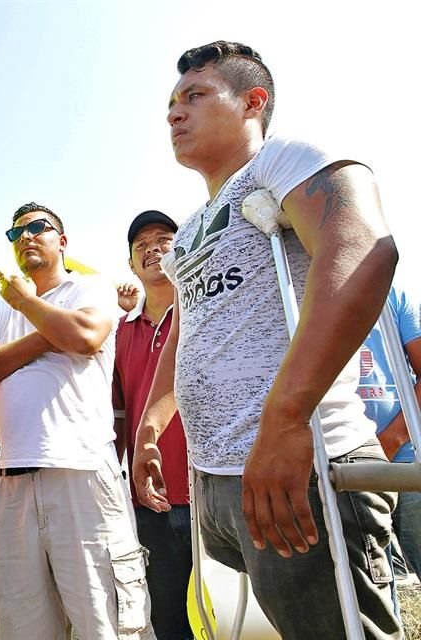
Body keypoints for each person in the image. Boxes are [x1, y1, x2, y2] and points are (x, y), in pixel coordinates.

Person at [134, 41, 400, 638]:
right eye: (171, 103)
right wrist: (152, 424)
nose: (174, 114)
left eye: (194, 96)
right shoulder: (195, 226)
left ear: (253, 101)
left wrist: (284, 420)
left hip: (302, 467)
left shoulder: (283, 162)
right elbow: (187, 323)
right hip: (219, 478)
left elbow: (361, 248)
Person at [0, 202, 154, 640]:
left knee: (106, 625)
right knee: (23, 630)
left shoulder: (88, 290)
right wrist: (51, 334)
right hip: (13, 483)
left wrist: (26, 303)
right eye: (16, 233)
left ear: (62, 240)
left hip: (83, 476)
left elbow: (86, 336)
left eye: (39, 228)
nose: (26, 237)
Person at [113, 210, 192, 640]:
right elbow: (117, 415)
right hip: (151, 501)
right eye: (141, 246)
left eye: (163, 240)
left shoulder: (206, 313)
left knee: (236, 615)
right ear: (130, 264)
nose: (153, 250)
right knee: (167, 617)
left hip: (212, 492)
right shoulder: (120, 331)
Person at [358, 286, 421, 577]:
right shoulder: (299, 288)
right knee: (375, 577)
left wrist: (392, 439)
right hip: (348, 465)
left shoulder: (391, 293)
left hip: (408, 458)